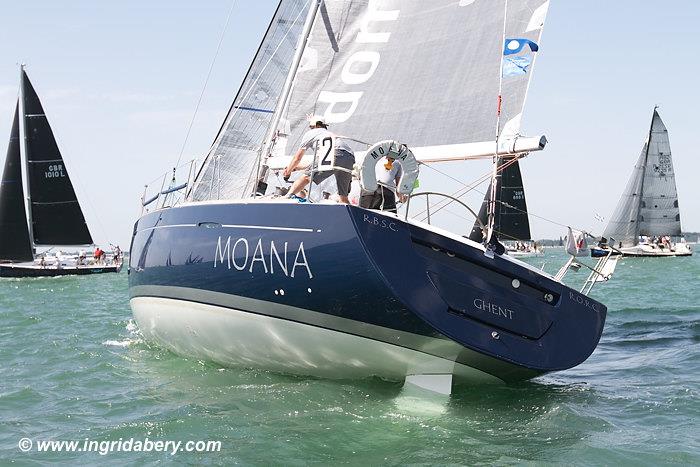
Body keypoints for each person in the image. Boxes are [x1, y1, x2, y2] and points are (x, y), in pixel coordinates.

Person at [283, 116, 355, 204]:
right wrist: (297, 168)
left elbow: (297, 158)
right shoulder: (327, 135)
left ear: (316, 125)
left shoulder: (311, 133)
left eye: (310, 127)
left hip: (334, 154)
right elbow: (328, 161)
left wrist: (288, 172)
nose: (310, 129)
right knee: (343, 197)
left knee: (306, 177)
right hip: (349, 157)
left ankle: (287, 198)